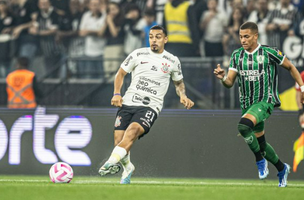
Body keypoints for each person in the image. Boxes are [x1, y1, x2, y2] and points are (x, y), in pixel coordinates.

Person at [98, 25, 194, 184]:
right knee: (119, 141)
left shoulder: (172, 60)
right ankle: (128, 167)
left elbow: (179, 83)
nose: (154, 40)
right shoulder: (137, 53)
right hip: (128, 102)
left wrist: (182, 95)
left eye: (157, 37)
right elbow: (120, 74)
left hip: (150, 106)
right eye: (151, 37)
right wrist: (116, 93)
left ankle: (109, 163)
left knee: (133, 131)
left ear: (165, 39)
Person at [213, 21, 304, 187]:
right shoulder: (236, 55)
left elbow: (291, 67)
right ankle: (282, 168)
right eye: (241, 37)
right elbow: (230, 83)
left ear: (256, 36)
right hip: (247, 104)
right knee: (261, 144)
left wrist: (303, 88)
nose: (243, 40)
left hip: (265, 101)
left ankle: (259, 160)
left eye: (246, 36)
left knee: (243, 126)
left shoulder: (269, 52)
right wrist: (223, 78)